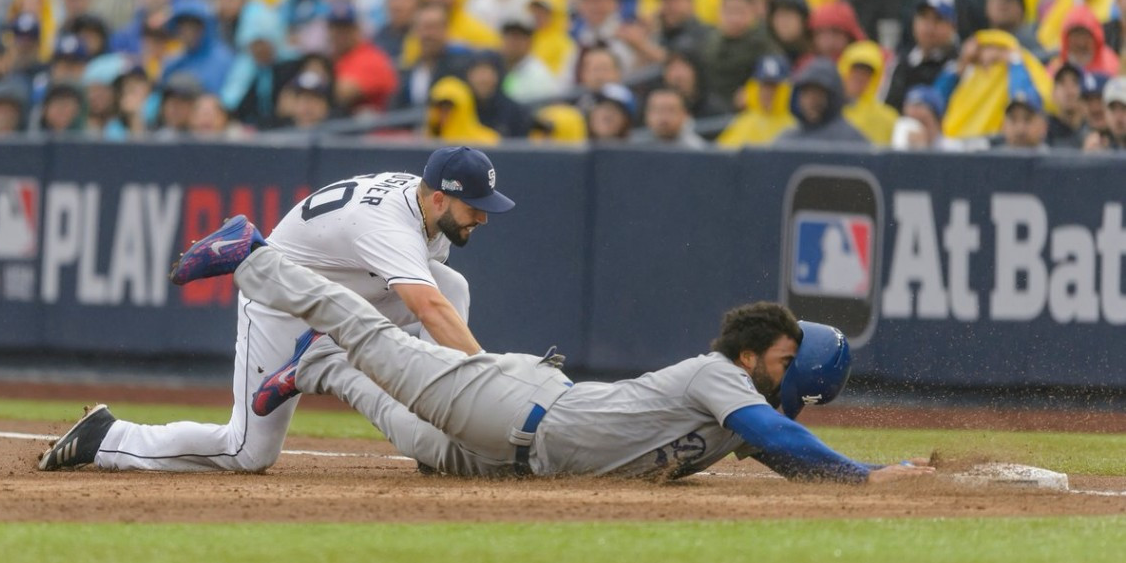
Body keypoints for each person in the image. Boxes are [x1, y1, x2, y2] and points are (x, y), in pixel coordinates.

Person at [45, 225, 934, 484]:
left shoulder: (747, 415)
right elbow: (784, 440)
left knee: (410, 432)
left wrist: (870, 474)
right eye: (792, 368)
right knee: (378, 335)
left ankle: (315, 368)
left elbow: (785, 449)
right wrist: (864, 477)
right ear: (765, 354)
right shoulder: (720, 379)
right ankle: (255, 256)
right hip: (518, 408)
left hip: (520, 448)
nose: (794, 388)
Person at [39, 147, 516, 473]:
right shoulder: (390, 225)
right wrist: (492, 380)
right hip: (279, 304)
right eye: (473, 206)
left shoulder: (427, 208)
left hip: (334, 296)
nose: (483, 216)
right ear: (439, 198)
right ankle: (109, 438)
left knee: (452, 286)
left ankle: (438, 428)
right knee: (247, 452)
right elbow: (427, 309)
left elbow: (428, 302)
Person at [702, 0, 781, 110]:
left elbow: (774, 72)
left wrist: (752, 91)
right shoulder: (709, 41)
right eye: (729, 12)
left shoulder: (763, 41)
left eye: (740, 12)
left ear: (752, 12)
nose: (734, 18)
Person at [885, 0, 958, 111]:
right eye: (924, 18)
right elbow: (888, 107)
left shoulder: (959, 64)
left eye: (938, 20)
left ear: (952, 27)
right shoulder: (901, 62)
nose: (930, 27)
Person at [327, 0, 397, 115]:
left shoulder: (371, 57)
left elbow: (343, 93)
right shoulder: (336, 58)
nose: (340, 34)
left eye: (345, 29)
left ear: (357, 29)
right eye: (336, 29)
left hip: (379, 123)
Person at [777, 57, 868, 145]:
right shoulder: (788, 140)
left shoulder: (852, 141)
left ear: (833, 97)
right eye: (806, 93)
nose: (811, 101)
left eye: (818, 94)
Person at [717, 54, 796, 148]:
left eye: (774, 88)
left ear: (785, 90)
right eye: (764, 87)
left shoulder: (794, 124)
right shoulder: (743, 122)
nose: (768, 93)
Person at [839, 41, 898, 146]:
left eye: (867, 73)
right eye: (855, 70)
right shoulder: (827, 110)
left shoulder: (888, 118)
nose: (860, 77)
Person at [985, 0, 1045, 64]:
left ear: (1021, 8)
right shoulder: (982, 42)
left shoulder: (1030, 37)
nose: (1002, 3)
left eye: (1008, 0)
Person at [426, 77, 501, 144]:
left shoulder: (488, 142)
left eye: (450, 109)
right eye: (440, 108)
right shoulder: (425, 142)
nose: (444, 115)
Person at [1046, 63, 1088, 150]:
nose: (1069, 91)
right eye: (1062, 83)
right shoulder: (1045, 131)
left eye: (1075, 83)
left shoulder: (1092, 130)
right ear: (1053, 93)